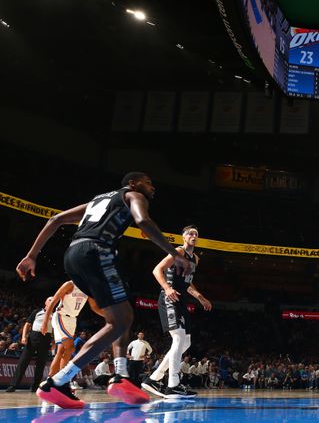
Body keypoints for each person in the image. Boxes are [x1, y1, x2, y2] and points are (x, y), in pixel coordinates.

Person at [15, 171, 189, 409]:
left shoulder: (98, 200)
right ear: (132, 183)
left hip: (73, 254)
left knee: (119, 316)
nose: (152, 187)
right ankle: (59, 380)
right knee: (122, 318)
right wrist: (173, 254)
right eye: (148, 182)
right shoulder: (134, 195)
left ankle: (120, 375)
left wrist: (31, 255)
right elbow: (143, 221)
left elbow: (54, 220)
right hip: (97, 252)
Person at [142, 225, 212, 399]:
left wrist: (200, 297)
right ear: (183, 237)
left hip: (181, 300)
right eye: (190, 233)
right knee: (178, 339)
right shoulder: (178, 251)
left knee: (185, 344)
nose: (193, 236)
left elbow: (187, 283)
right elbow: (157, 270)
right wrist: (166, 288)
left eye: (196, 234)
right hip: (170, 298)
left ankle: (154, 378)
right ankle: (172, 385)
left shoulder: (195, 258)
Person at [41, 280, 101, 378]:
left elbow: (94, 307)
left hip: (72, 319)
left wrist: (107, 316)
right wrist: (45, 322)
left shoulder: (87, 288)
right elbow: (53, 302)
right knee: (70, 347)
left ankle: (51, 378)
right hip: (62, 316)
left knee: (61, 351)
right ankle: (61, 378)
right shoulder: (70, 285)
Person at [5, 298, 53, 393]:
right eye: (50, 300)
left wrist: (54, 342)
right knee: (23, 361)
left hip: (46, 338)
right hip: (34, 336)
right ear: (45, 302)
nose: (52, 301)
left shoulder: (55, 314)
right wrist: (23, 337)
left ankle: (35, 387)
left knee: (41, 364)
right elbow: (27, 324)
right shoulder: (37, 311)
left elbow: (56, 328)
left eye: (53, 300)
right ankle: (13, 385)